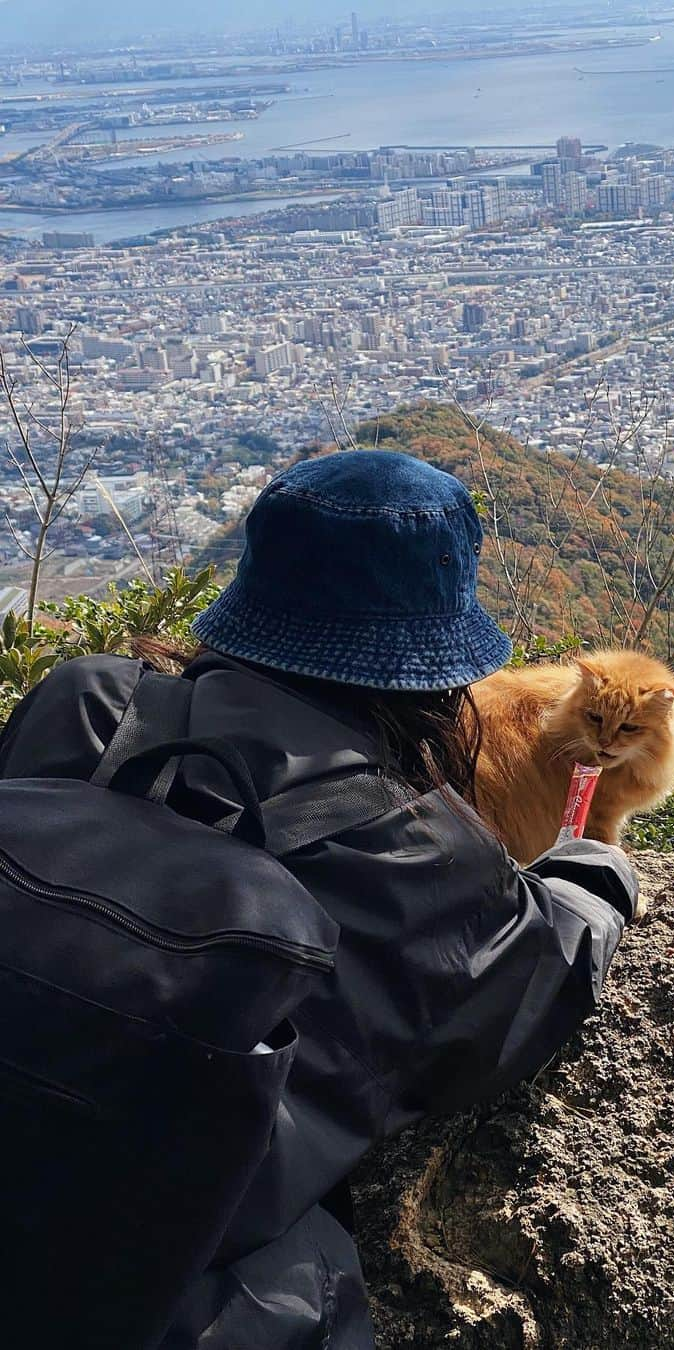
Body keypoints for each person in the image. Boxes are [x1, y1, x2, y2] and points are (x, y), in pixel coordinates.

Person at [0, 449, 637, 1348]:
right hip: (148, 1294)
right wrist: (592, 870)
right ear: (433, 665)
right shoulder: (422, 853)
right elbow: (534, 988)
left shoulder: (85, 702)